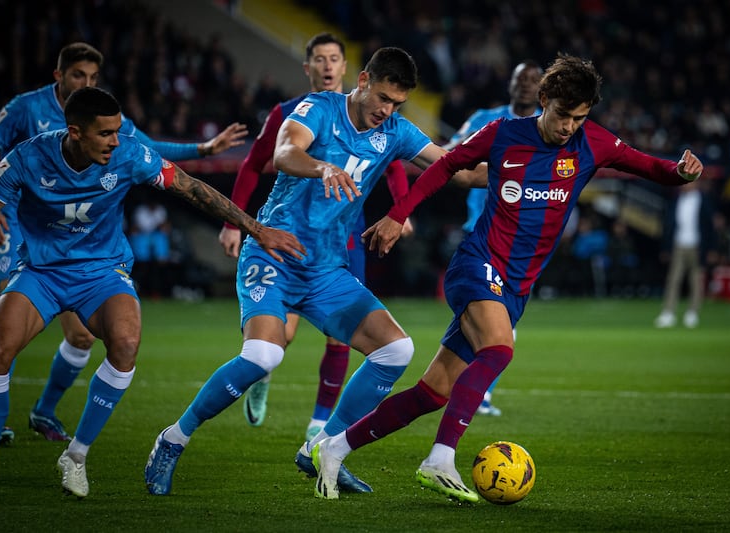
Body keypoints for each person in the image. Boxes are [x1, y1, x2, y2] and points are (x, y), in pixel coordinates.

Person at [312, 53, 704, 503]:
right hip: (477, 266)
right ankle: (439, 459)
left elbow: (649, 167)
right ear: (543, 100)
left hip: (516, 287)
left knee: (432, 392)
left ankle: (334, 449)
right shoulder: (502, 134)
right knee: (499, 349)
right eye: (562, 116)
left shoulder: (592, 143)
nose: (569, 127)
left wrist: (679, 172)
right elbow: (445, 166)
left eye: (579, 118)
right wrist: (397, 215)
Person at [144, 47, 481, 496]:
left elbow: (455, 169)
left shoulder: (396, 132)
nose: (386, 110)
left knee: (396, 350)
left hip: (325, 269)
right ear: (362, 80)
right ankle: (173, 438)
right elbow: (284, 152)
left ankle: (321, 448)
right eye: (381, 97)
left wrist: (520, 163)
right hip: (274, 254)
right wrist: (323, 165)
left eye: (396, 104)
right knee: (264, 356)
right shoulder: (318, 109)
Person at [0, 87, 303, 502]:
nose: (116, 140)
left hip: (102, 273)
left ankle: (76, 456)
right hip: (41, 272)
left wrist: (254, 228)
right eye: (106, 133)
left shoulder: (129, 154)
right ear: (75, 132)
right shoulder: (25, 157)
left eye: (117, 131)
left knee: (127, 342)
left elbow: (191, 188)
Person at [0, 42, 247, 444]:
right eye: (77, 75)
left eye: (92, 77)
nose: (84, 82)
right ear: (59, 75)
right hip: (19, 226)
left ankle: (44, 411)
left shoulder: (106, 122)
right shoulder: (25, 110)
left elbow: (148, 147)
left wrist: (201, 149)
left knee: (82, 336)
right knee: (6, 332)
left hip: (83, 246)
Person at [218, 33, 411, 441]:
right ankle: (262, 372)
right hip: (288, 241)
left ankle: (319, 427)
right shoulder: (293, 113)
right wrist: (235, 223)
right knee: (277, 340)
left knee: (344, 336)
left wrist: (401, 210)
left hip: (341, 241)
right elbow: (257, 164)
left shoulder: (386, 122)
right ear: (307, 67)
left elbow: (393, 163)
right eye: (319, 59)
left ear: (346, 68)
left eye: (333, 58)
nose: (326, 66)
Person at [443, 59, 543, 416]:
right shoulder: (486, 118)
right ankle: (476, 394)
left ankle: (464, 389)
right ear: (511, 84)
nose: (527, 84)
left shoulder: (549, 128)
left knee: (497, 325)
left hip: (521, 238)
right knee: (494, 324)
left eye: (534, 79)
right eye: (521, 78)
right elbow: (452, 154)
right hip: (481, 230)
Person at [654, 178, 716, 328]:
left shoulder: (704, 201)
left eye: (689, 182)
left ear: (696, 184)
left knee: (696, 280)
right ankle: (668, 313)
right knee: (673, 279)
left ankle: (692, 313)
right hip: (679, 245)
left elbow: (710, 227)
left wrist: (712, 248)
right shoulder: (676, 201)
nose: (686, 185)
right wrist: (666, 247)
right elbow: (668, 225)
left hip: (697, 246)